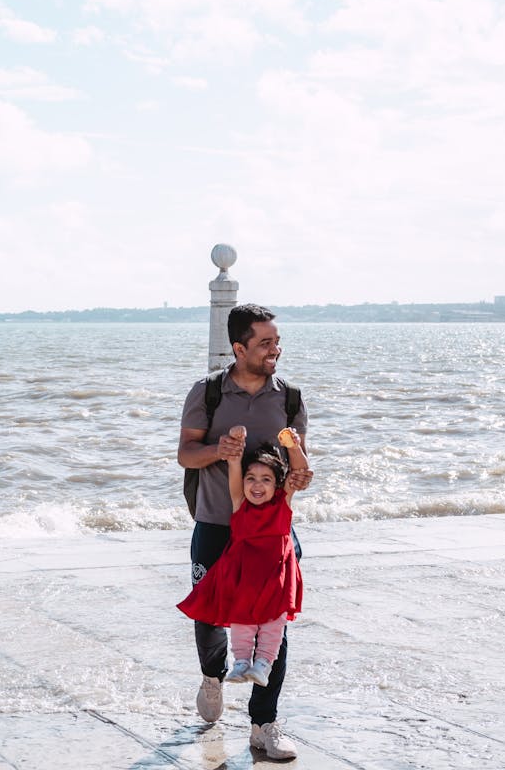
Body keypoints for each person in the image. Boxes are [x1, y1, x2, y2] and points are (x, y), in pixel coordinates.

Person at [177, 303, 313, 760]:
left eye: (276, 340)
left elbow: (299, 462)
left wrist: (300, 474)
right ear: (239, 348)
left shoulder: (289, 398)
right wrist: (220, 449)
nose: (276, 348)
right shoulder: (208, 393)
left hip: (272, 534)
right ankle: (213, 676)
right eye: (265, 342)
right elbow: (185, 455)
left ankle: (264, 724)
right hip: (217, 520)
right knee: (210, 614)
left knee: (274, 621)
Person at [176, 431, 305, 688]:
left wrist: (294, 447)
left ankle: (264, 664)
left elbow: (299, 472)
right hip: (244, 574)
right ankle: (242, 662)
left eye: (266, 479)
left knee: (272, 622)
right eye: (251, 479)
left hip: (275, 574)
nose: (257, 485)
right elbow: (234, 465)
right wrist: (236, 442)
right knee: (241, 620)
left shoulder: (283, 503)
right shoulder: (240, 503)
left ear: (277, 484)